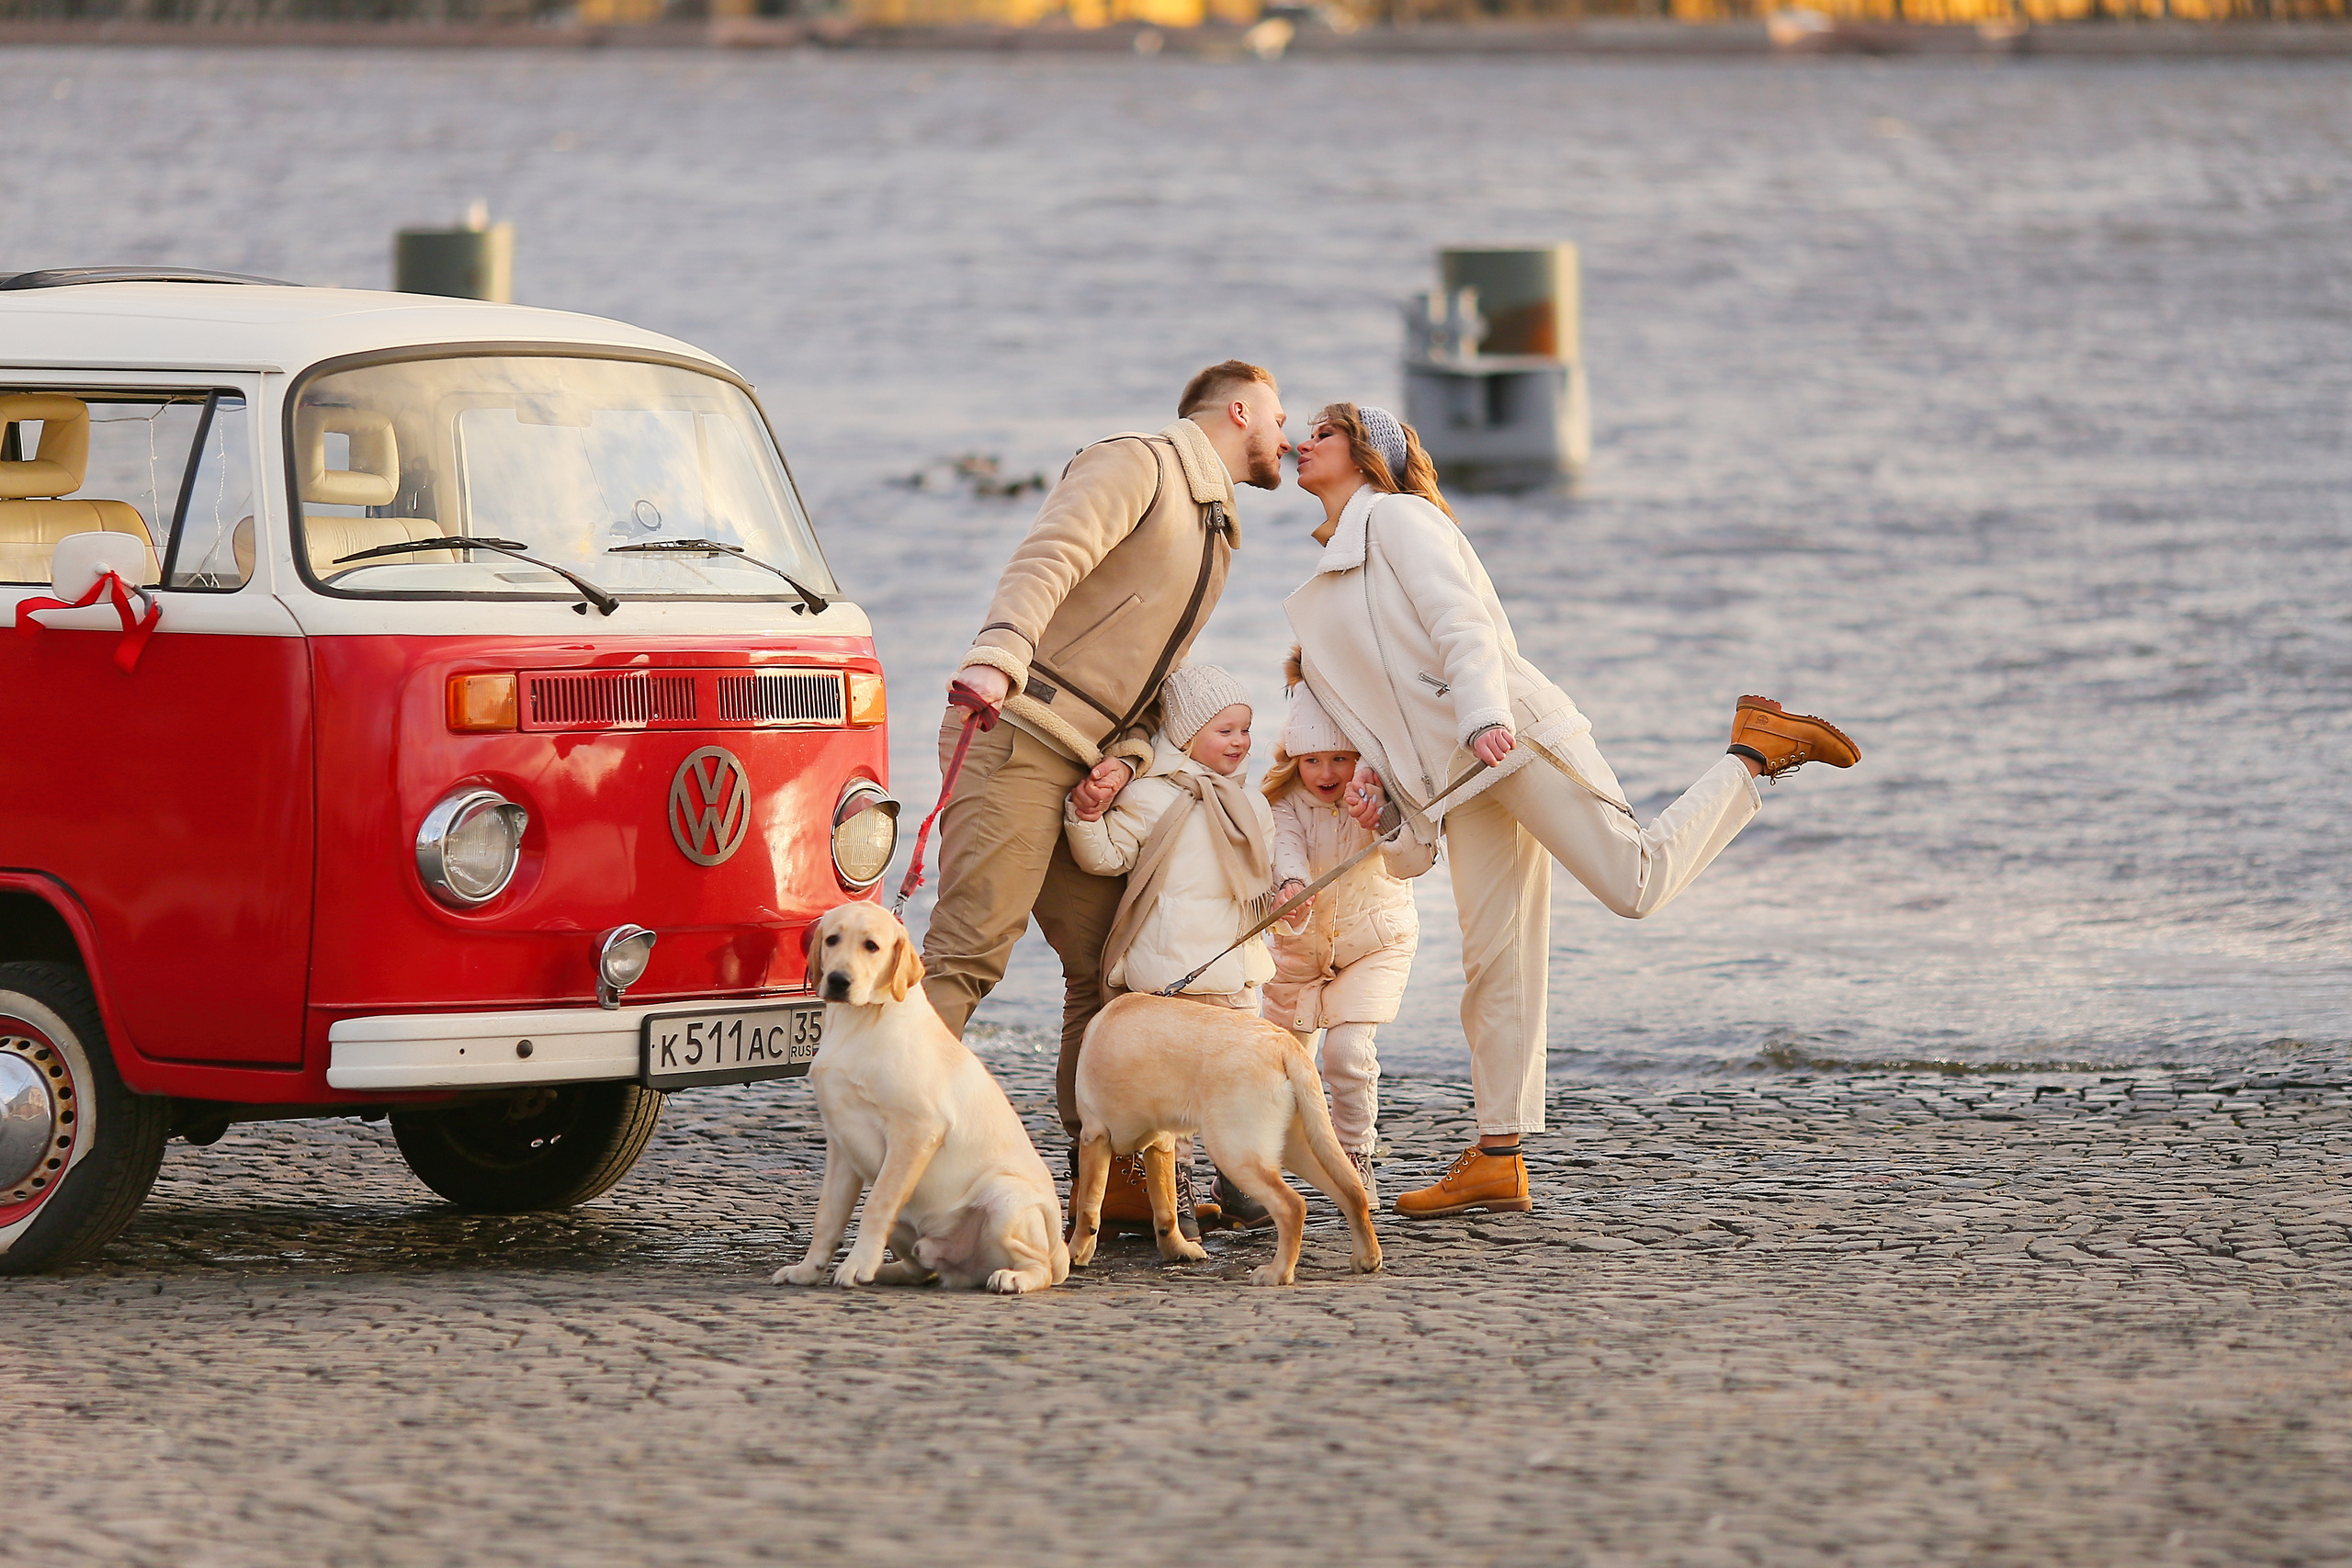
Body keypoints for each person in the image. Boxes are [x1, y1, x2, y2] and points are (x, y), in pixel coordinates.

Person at [1283, 402, 1861, 1219]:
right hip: (1459, 782)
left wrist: (1484, 713)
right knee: (1496, 961)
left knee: (1634, 880)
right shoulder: (1324, 581)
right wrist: (1386, 813)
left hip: (1506, 738)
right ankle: (1498, 1155)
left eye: (1325, 432)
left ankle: (1753, 753)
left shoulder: (1401, 520)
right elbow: (1385, 725)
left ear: (1369, 455)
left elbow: (1464, 625)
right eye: (1303, 430)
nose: (1301, 442)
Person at [923, 362, 1289, 1144]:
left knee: (1111, 966)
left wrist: (1129, 754)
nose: (1287, 438)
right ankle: (888, 1155)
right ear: (1239, 412)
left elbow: (1145, 675)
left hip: (1088, 767)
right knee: (970, 951)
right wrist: (1001, 650)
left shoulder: (1215, 524)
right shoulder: (1138, 460)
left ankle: (1111, 1171)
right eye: (1280, 418)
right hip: (1016, 731)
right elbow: (1050, 553)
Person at [1062, 663, 1278, 1235]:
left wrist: (1290, 899)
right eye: (1225, 730)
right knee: (1175, 1097)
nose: (1240, 742)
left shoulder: (1251, 805)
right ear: (1185, 734)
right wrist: (1084, 816)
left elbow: (1265, 881)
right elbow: (1106, 858)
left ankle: (1241, 1182)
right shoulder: (1150, 798)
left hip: (1235, 971)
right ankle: (1173, 1191)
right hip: (1171, 976)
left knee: (1246, 1080)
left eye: (1246, 730)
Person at [1258, 664, 1434, 1206]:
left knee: (1348, 1055)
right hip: (1298, 951)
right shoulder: (1283, 805)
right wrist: (1289, 888)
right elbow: (1283, 848)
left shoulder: (1381, 799)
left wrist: (1380, 819)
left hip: (1374, 943)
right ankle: (1254, 1170)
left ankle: (1354, 1155)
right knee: (1280, 1068)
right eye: (1312, 760)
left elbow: (1414, 854)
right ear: (1294, 760)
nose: (1327, 772)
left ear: (1363, 756)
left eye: (1341, 757)